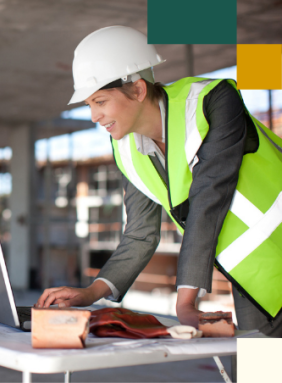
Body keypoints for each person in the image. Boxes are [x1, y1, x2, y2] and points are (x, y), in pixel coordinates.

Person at [35, 26, 282, 338]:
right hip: (257, 281)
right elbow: (140, 234)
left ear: (138, 90)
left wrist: (185, 302)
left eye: (100, 101)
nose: (94, 117)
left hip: (274, 261)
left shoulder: (213, 101)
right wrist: (90, 293)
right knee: (258, 372)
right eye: (89, 105)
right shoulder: (126, 148)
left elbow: (209, 197)